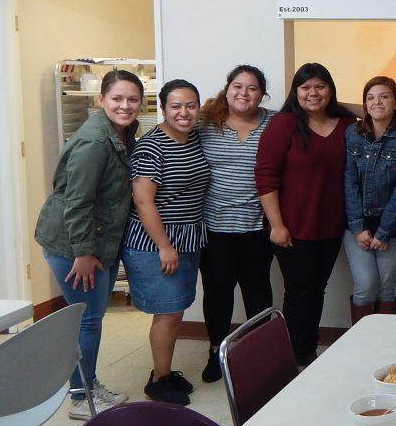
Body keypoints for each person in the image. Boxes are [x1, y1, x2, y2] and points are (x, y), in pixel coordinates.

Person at [34, 69, 140, 419]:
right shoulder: (94, 142)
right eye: (117, 99)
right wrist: (82, 252)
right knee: (89, 319)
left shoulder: (120, 134)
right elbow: (77, 202)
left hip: (95, 240)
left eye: (132, 99)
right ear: (101, 100)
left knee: (90, 316)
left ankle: (85, 385)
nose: (125, 106)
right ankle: (82, 396)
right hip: (74, 244)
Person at [256, 63, 352, 366]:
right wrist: (276, 225)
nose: (313, 93)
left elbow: (383, 108)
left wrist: (337, 104)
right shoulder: (283, 124)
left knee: (317, 288)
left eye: (320, 86)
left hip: (331, 226)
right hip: (291, 228)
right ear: (295, 91)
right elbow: (265, 176)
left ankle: (307, 349)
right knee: (298, 291)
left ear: (331, 89)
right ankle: (294, 356)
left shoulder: (346, 123)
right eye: (305, 87)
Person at [123, 79, 210, 406]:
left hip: (188, 239)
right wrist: (164, 245)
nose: (184, 112)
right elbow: (144, 202)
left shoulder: (194, 138)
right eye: (175, 106)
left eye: (190, 105)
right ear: (163, 108)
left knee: (175, 309)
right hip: (155, 244)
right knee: (169, 311)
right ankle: (159, 380)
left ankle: (164, 370)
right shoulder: (152, 146)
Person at [196, 65, 274, 383]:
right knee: (218, 294)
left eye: (252, 88)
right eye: (238, 86)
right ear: (227, 89)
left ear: (262, 94)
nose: (244, 93)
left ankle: (257, 354)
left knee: (258, 295)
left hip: (257, 228)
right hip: (214, 229)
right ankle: (217, 351)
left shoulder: (274, 122)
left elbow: (320, 111)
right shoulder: (204, 123)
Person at [343, 76, 396, 321]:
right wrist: (358, 227)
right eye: (370, 98)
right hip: (357, 226)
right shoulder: (353, 134)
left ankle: (382, 346)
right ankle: (360, 345)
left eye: (384, 96)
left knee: (386, 289)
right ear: (365, 105)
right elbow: (349, 181)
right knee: (365, 287)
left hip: (393, 228)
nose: (377, 102)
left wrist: (384, 231)